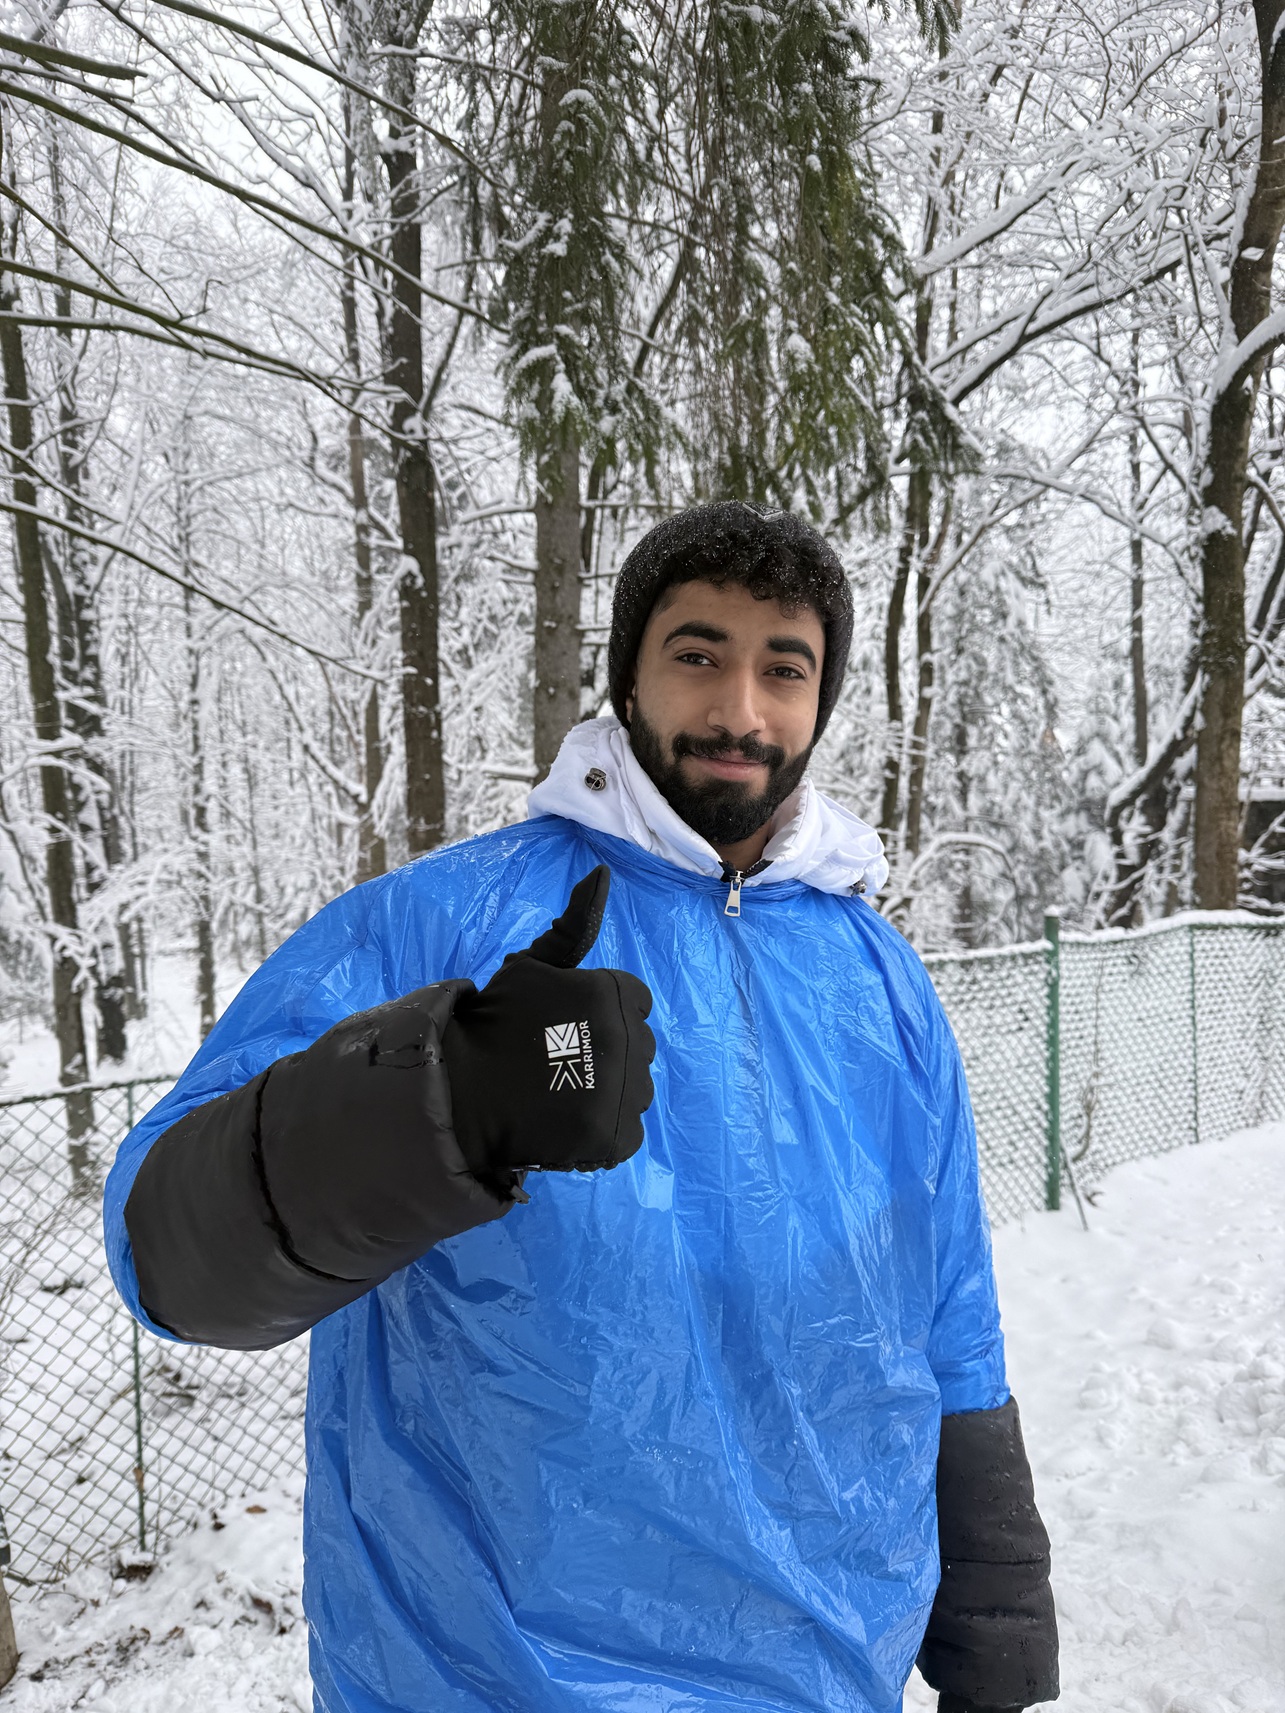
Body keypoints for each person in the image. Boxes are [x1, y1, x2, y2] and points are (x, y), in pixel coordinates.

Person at [105, 502, 1058, 1713]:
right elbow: (166, 1255)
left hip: (828, 1665)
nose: (739, 712)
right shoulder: (444, 926)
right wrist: (434, 1101)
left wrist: (995, 1602)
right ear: (627, 678)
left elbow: (949, 1298)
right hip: (495, 1671)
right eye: (698, 654)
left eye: (785, 667)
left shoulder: (879, 976)